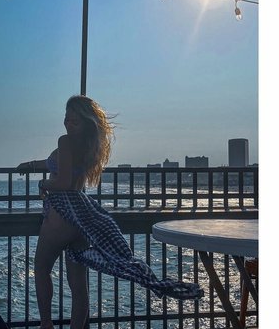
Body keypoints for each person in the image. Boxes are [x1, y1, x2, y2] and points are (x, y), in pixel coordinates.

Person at [17, 95, 203, 329]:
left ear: (85, 122)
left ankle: (46, 325)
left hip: (60, 215)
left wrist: (43, 184)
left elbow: (63, 181)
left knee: (42, 268)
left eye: (74, 120)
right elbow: (57, 163)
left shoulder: (65, 141)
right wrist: (30, 165)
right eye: (66, 119)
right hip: (81, 218)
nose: (68, 124)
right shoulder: (88, 146)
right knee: (78, 285)